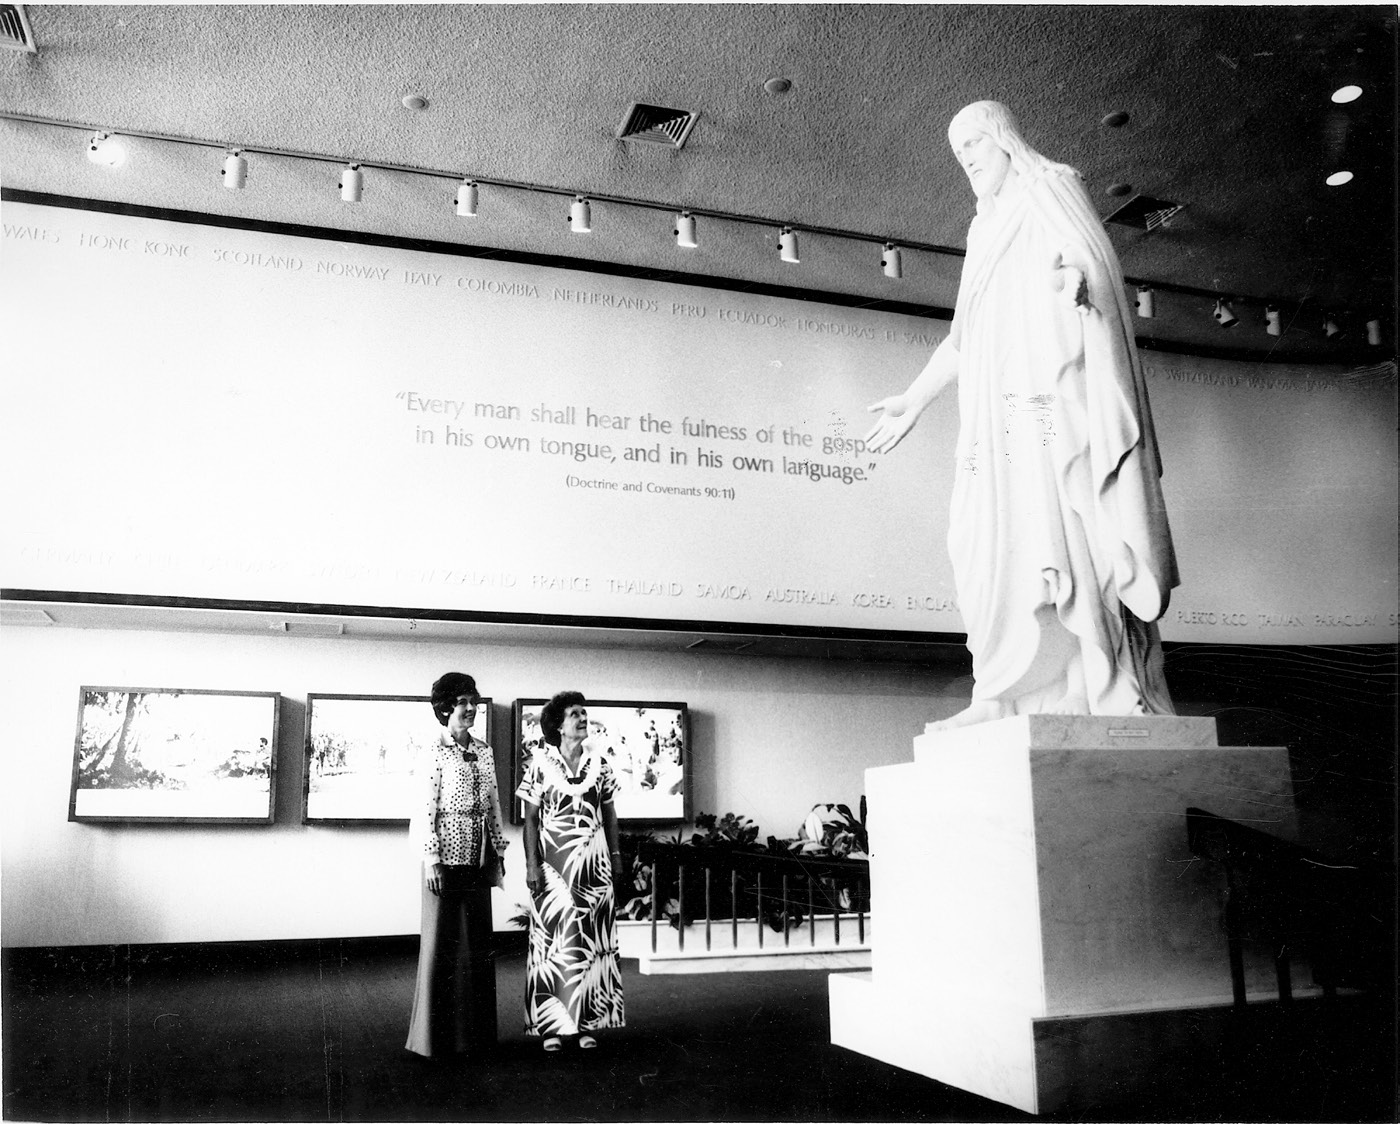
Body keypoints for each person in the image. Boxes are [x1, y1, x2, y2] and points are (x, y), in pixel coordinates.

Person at [866, 100, 1179, 730]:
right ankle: (999, 692)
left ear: (1004, 139)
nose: (968, 162)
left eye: (973, 147)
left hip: (1044, 397)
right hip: (990, 410)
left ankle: (1082, 679)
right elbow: (963, 336)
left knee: (1055, 523)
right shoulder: (983, 229)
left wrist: (1074, 285)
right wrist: (915, 398)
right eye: (959, 155)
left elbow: (1088, 261)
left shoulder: (1051, 186)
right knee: (978, 539)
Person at [405, 672, 508, 1058]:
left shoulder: (483, 750)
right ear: (446, 706)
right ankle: (434, 1040)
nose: (470, 708)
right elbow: (423, 808)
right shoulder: (433, 750)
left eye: (474, 701)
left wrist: (497, 848)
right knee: (441, 945)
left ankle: (476, 1038)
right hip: (444, 857)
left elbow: (493, 801)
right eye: (463, 701)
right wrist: (431, 859)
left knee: (478, 945)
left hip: (478, 854)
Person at [517, 691, 625, 1051]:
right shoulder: (538, 764)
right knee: (554, 946)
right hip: (553, 868)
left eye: (585, 712)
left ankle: (585, 1024)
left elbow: (609, 814)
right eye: (574, 714)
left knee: (591, 942)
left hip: (594, 868)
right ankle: (551, 1027)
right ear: (557, 725)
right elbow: (530, 820)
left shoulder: (602, 764)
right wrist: (532, 865)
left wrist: (616, 855)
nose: (583, 718)